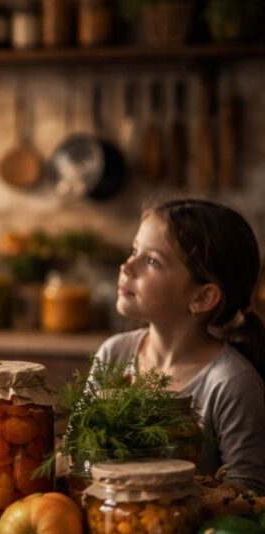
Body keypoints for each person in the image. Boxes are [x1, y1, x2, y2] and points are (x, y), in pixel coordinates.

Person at [96, 199, 265, 493]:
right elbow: (81, 449)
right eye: (135, 250)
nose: (127, 266)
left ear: (202, 297)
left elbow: (248, 490)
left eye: (152, 261)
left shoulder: (231, 383)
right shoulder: (113, 354)